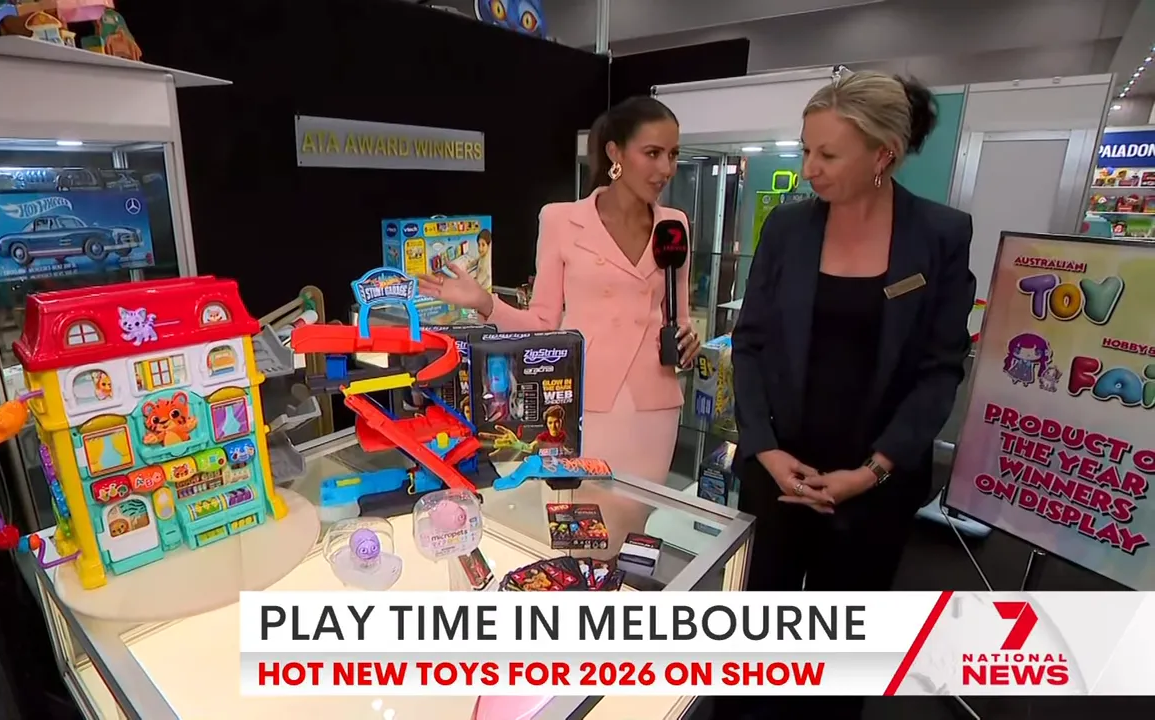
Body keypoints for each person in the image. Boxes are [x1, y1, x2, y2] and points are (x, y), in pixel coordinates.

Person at [726, 71, 975, 717]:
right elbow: (748, 345)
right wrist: (763, 448)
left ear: (883, 156)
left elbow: (940, 368)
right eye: (806, 148)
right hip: (779, 470)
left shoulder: (940, 236)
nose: (808, 168)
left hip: (874, 482)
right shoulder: (787, 229)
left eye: (827, 154)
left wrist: (873, 471)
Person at [418, 97, 699, 484]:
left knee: (638, 519)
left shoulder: (675, 224)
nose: (666, 169)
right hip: (585, 401)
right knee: (580, 518)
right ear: (615, 152)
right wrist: (485, 302)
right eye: (652, 153)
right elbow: (542, 321)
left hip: (655, 405)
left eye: (673, 154)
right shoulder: (561, 220)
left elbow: (679, 319)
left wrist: (687, 339)